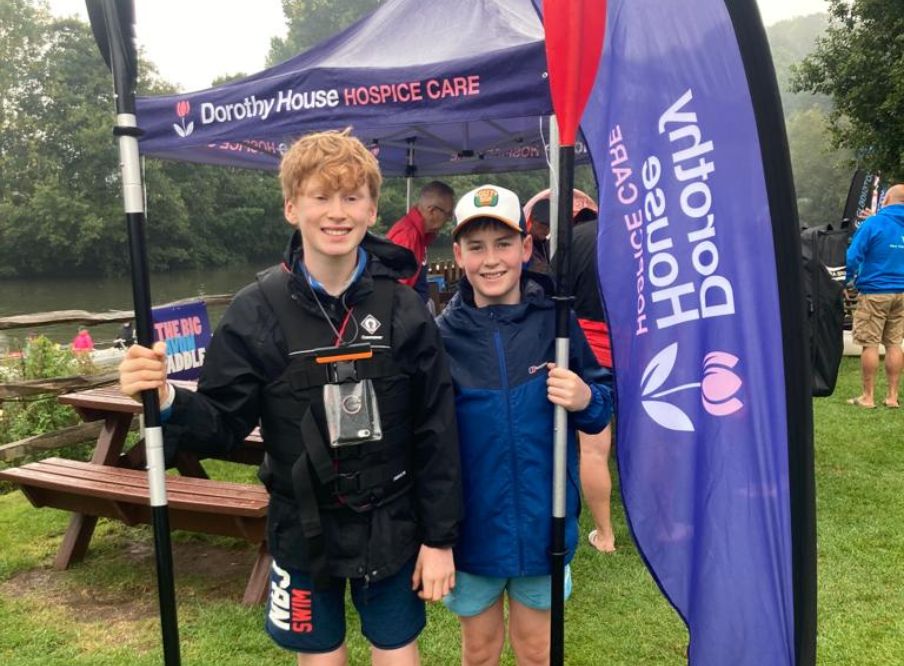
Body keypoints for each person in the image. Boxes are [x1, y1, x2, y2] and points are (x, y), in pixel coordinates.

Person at [119, 130, 462, 666]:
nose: (336, 212)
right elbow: (220, 423)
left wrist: (440, 539)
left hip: (391, 522)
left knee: (397, 650)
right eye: (320, 196)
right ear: (290, 206)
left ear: (373, 210)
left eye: (351, 198)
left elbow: (437, 431)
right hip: (303, 527)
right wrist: (163, 396)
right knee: (319, 656)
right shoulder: (255, 311)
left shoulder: (405, 310)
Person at [436, 184, 613, 666]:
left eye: (503, 244)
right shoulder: (440, 338)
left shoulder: (555, 322)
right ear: (458, 254)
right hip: (474, 533)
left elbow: (601, 402)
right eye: (476, 247)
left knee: (538, 652)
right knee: (480, 650)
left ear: (526, 246)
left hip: (544, 528)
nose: (490, 260)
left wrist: (584, 397)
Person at [552, 205, 617, 553]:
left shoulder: (566, 244)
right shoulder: (623, 236)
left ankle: (605, 535)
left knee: (593, 449)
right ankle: (668, 525)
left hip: (587, 351)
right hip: (630, 349)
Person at [845, 183, 904, 409]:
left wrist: (847, 279)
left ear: (887, 200)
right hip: (901, 293)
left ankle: (867, 397)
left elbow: (853, 256)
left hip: (875, 292)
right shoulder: (883, 221)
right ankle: (892, 397)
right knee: (894, 344)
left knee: (869, 344)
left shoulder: (874, 223)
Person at [386, 181, 455, 303]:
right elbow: (394, 292)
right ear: (432, 211)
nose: (449, 220)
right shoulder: (407, 235)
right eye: (448, 214)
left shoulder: (421, 236)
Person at [525, 198, 551, 274]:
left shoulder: (548, 245)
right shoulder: (523, 245)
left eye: (549, 225)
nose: (546, 229)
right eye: (543, 224)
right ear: (533, 219)